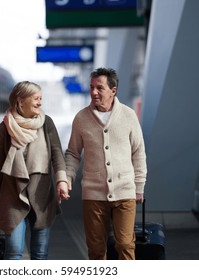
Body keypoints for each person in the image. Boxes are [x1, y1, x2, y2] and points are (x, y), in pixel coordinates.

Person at [65, 67, 147, 260]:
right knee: (95, 249)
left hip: (125, 191)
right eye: (92, 87)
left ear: (113, 90)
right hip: (93, 194)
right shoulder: (81, 118)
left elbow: (138, 152)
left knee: (125, 245)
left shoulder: (128, 116)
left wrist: (139, 185)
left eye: (99, 88)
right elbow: (73, 153)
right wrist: (67, 178)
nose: (94, 92)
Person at [0, 81, 70, 260]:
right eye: (36, 99)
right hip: (12, 197)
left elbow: (57, 154)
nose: (40, 103)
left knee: (40, 254)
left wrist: (61, 180)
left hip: (42, 197)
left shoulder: (46, 123)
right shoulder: (3, 130)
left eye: (41, 98)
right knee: (14, 252)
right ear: (20, 101)